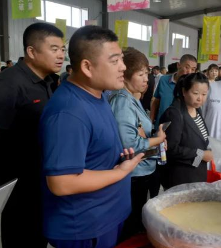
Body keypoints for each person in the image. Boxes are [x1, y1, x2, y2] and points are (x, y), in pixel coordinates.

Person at [39, 25, 144, 248]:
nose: (123, 68)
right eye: (114, 61)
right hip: (85, 228)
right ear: (87, 66)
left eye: (122, 60)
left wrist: (116, 158)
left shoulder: (98, 95)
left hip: (104, 217)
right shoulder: (69, 112)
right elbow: (62, 182)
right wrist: (120, 173)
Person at [0, 23, 65, 248]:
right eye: (54, 48)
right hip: (18, 184)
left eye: (63, 49)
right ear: (32, 51)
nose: (61, 55)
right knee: (21, 236)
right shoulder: (10, 83)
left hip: (41, 179)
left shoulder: (48, 82)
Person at [109, 47, 166, 240]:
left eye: (147, 74)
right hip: (133, 173)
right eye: (140, 74)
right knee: (130, 225)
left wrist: (146, 135)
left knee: (135, 220)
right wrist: (156, 140)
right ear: (125, 76)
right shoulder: (123, 101)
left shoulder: (131, 99)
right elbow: (130, 142)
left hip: (141, 169)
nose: (146, 79)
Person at [160, 73, 212, 189]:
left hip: (196, 172)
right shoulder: (174, 114)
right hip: (180, 176)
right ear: (184, 91)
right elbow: (171, 149)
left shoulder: (196, 110)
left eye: (204, 94)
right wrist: (201, 154)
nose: (200, 98)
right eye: (195, 93)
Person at [151, 54, 197, 129]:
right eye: (187, 67)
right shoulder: (163, 80)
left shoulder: (192, 87)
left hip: (180, 129)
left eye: (193, 69)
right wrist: (151, 120)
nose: (189, 72)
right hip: (161, 127)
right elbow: (156, 101)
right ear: (179, 65)